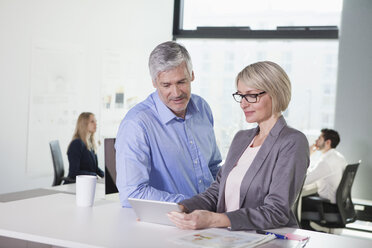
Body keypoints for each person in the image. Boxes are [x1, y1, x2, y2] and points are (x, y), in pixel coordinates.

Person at [168, 61, 309, 231]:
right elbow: (217, 192)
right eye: (241, 96)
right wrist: (181, 209)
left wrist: (214, 219)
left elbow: (276, 211)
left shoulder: (292, 141)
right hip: (230, 239)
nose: (243, 104)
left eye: (251, 95)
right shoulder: (241, 138)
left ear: (275, 94)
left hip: (267, 239)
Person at [115, 41, 222, 207]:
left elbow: (213, 168)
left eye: (181, 82)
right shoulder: (137, 124)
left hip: (209, 219)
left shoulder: (202, 108)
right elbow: (132, 194)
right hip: (167, 224)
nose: (176, 93)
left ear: (192, 75)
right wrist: (193, 204)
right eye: (166, 85)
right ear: (154, 82)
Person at [304, 129, 347, 204]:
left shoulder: (326, 162)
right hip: (338, 204)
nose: (316, 140)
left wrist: (307, 155)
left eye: (319, 138)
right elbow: (313, 172)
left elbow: (304, 181)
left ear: (328, 142)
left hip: (326, 205)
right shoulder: (339, 157)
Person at [67, 112, 104, 180]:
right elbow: (74, 172)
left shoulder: (90, 143)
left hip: (88, 183)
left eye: (96, 121)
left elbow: (95, 168)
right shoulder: (76, 144)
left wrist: (104, 176)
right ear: (84, 124)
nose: (96, 124)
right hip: (77, 185)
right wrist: (94, 175)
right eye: (92, 122)